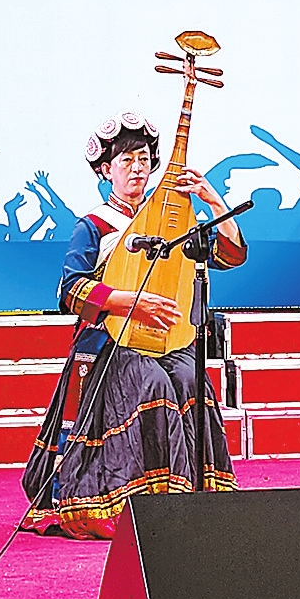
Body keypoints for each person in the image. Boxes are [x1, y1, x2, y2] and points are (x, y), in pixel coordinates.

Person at [19, 114, 245, 536]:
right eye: (126, 161)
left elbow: (231, 256)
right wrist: (129, 304)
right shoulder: (94, 225)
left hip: (163, 339)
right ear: (107, 170)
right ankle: (138, 499)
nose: (137, 168)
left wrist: (213, 201)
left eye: (143, 159)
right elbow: (70, 290)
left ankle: (193, 496)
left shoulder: (171, 220)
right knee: (152, 381)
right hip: (109, 341)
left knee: (189, 376)